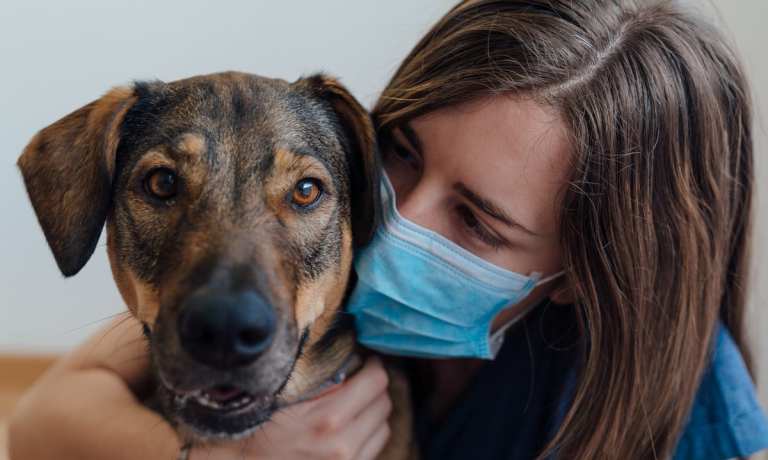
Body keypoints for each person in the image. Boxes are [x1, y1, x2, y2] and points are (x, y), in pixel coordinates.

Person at [9, 0, 768, 459]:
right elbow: (40, 424)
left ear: (579, 270)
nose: (398, 221)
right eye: (401, 154)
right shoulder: (313, 288)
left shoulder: (676, 386)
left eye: (475, 219)